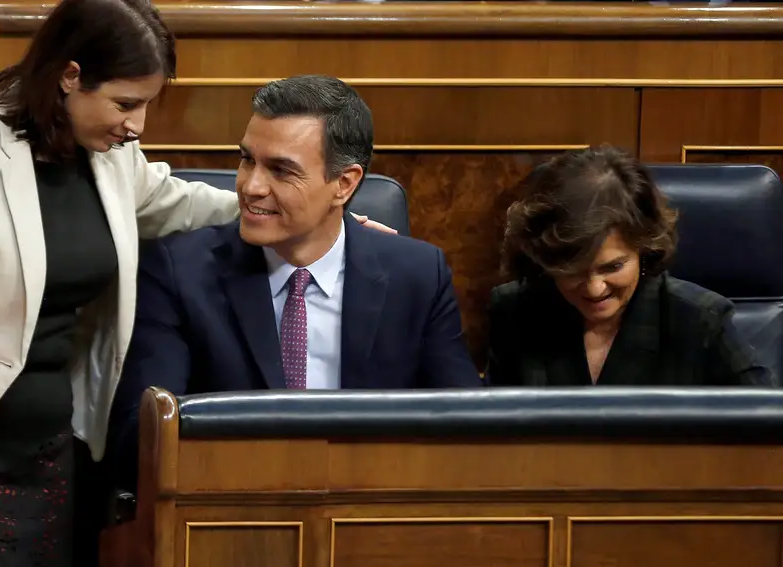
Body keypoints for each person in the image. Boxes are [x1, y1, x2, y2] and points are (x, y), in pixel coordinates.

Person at [0, 1, 391, 565]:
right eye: (124, 104)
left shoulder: (109, 156)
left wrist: (315, 218)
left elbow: (174, 201)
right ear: (69, 76)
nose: (136, 126)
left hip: (49, 451)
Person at [108, 74, 484, 492]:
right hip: (231, 515)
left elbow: (464, 433)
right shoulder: (180, 273)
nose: (250, 187)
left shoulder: (416, 276)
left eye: (281, 170)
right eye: (248, 160)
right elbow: (140, 443)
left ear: (344, 184)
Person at [486, 145, 776, 387]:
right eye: (572, 270)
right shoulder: (514, 310)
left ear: (644, 247)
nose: (594, 288)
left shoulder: (702, 321)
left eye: (612, 267)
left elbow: (768, 427)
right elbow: (494, 432)